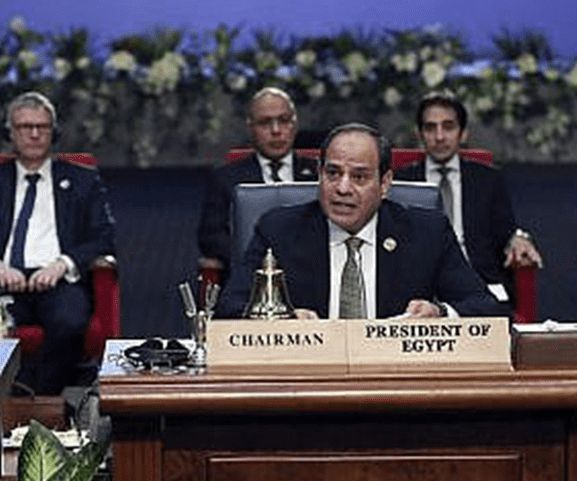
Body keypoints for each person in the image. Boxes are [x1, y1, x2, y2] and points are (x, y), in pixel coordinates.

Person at [217, 122, 505, 319]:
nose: (342, 188)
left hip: (396, 386)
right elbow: (229, 307)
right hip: (305, 387)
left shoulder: (426, 232)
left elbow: (486, 307)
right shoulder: (279, 230)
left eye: (359, 177)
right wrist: (281, 319)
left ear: (385, 183)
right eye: (332, 173)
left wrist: (439, 313)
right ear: (319, 173)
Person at [0, 91, 116, 395]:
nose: (35, 134)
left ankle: (37, 400)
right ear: (10, 134)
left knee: (70, 322)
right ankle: (11, 400)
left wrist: (62, 264)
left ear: (55, 132)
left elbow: (103, 237)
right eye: (26, 127)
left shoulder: (83, 180)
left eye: (43, 126)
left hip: (58, 282)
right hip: (2, 283)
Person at [397, 90, 542, 304]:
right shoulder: (401, 180)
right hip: (419, 286)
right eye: (430, 128)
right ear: (420, 135)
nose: (439, 137)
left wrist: (519, 239)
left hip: (479, 282)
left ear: (463, 133)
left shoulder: (488, 179)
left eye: (448, 127)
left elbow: (507, 232)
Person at [197, 87, 317, 283]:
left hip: (311, 272)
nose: (276, 131)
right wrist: (257, 258)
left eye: (284, 120)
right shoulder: (226, 178)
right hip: (249, 277)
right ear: (250, 127)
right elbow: (211, 236)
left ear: (295, 124)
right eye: (265, 123)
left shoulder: (320, 174)